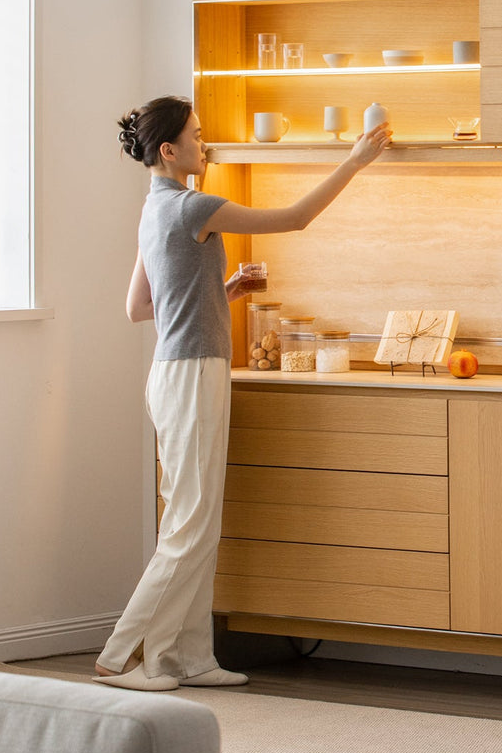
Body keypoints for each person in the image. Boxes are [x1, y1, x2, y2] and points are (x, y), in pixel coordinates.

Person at [98, 95, 391, 691]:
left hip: (173, 374)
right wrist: (355, 160)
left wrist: (223, 290)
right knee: (189, 526)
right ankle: (119, 657)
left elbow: (140, 308)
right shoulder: (192, 206)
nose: (205, 144)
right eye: (197, 136)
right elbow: (295, 218)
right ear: (169, 150)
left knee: (197, 522)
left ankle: (185, 658)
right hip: (192, 375)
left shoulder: (154, 210)